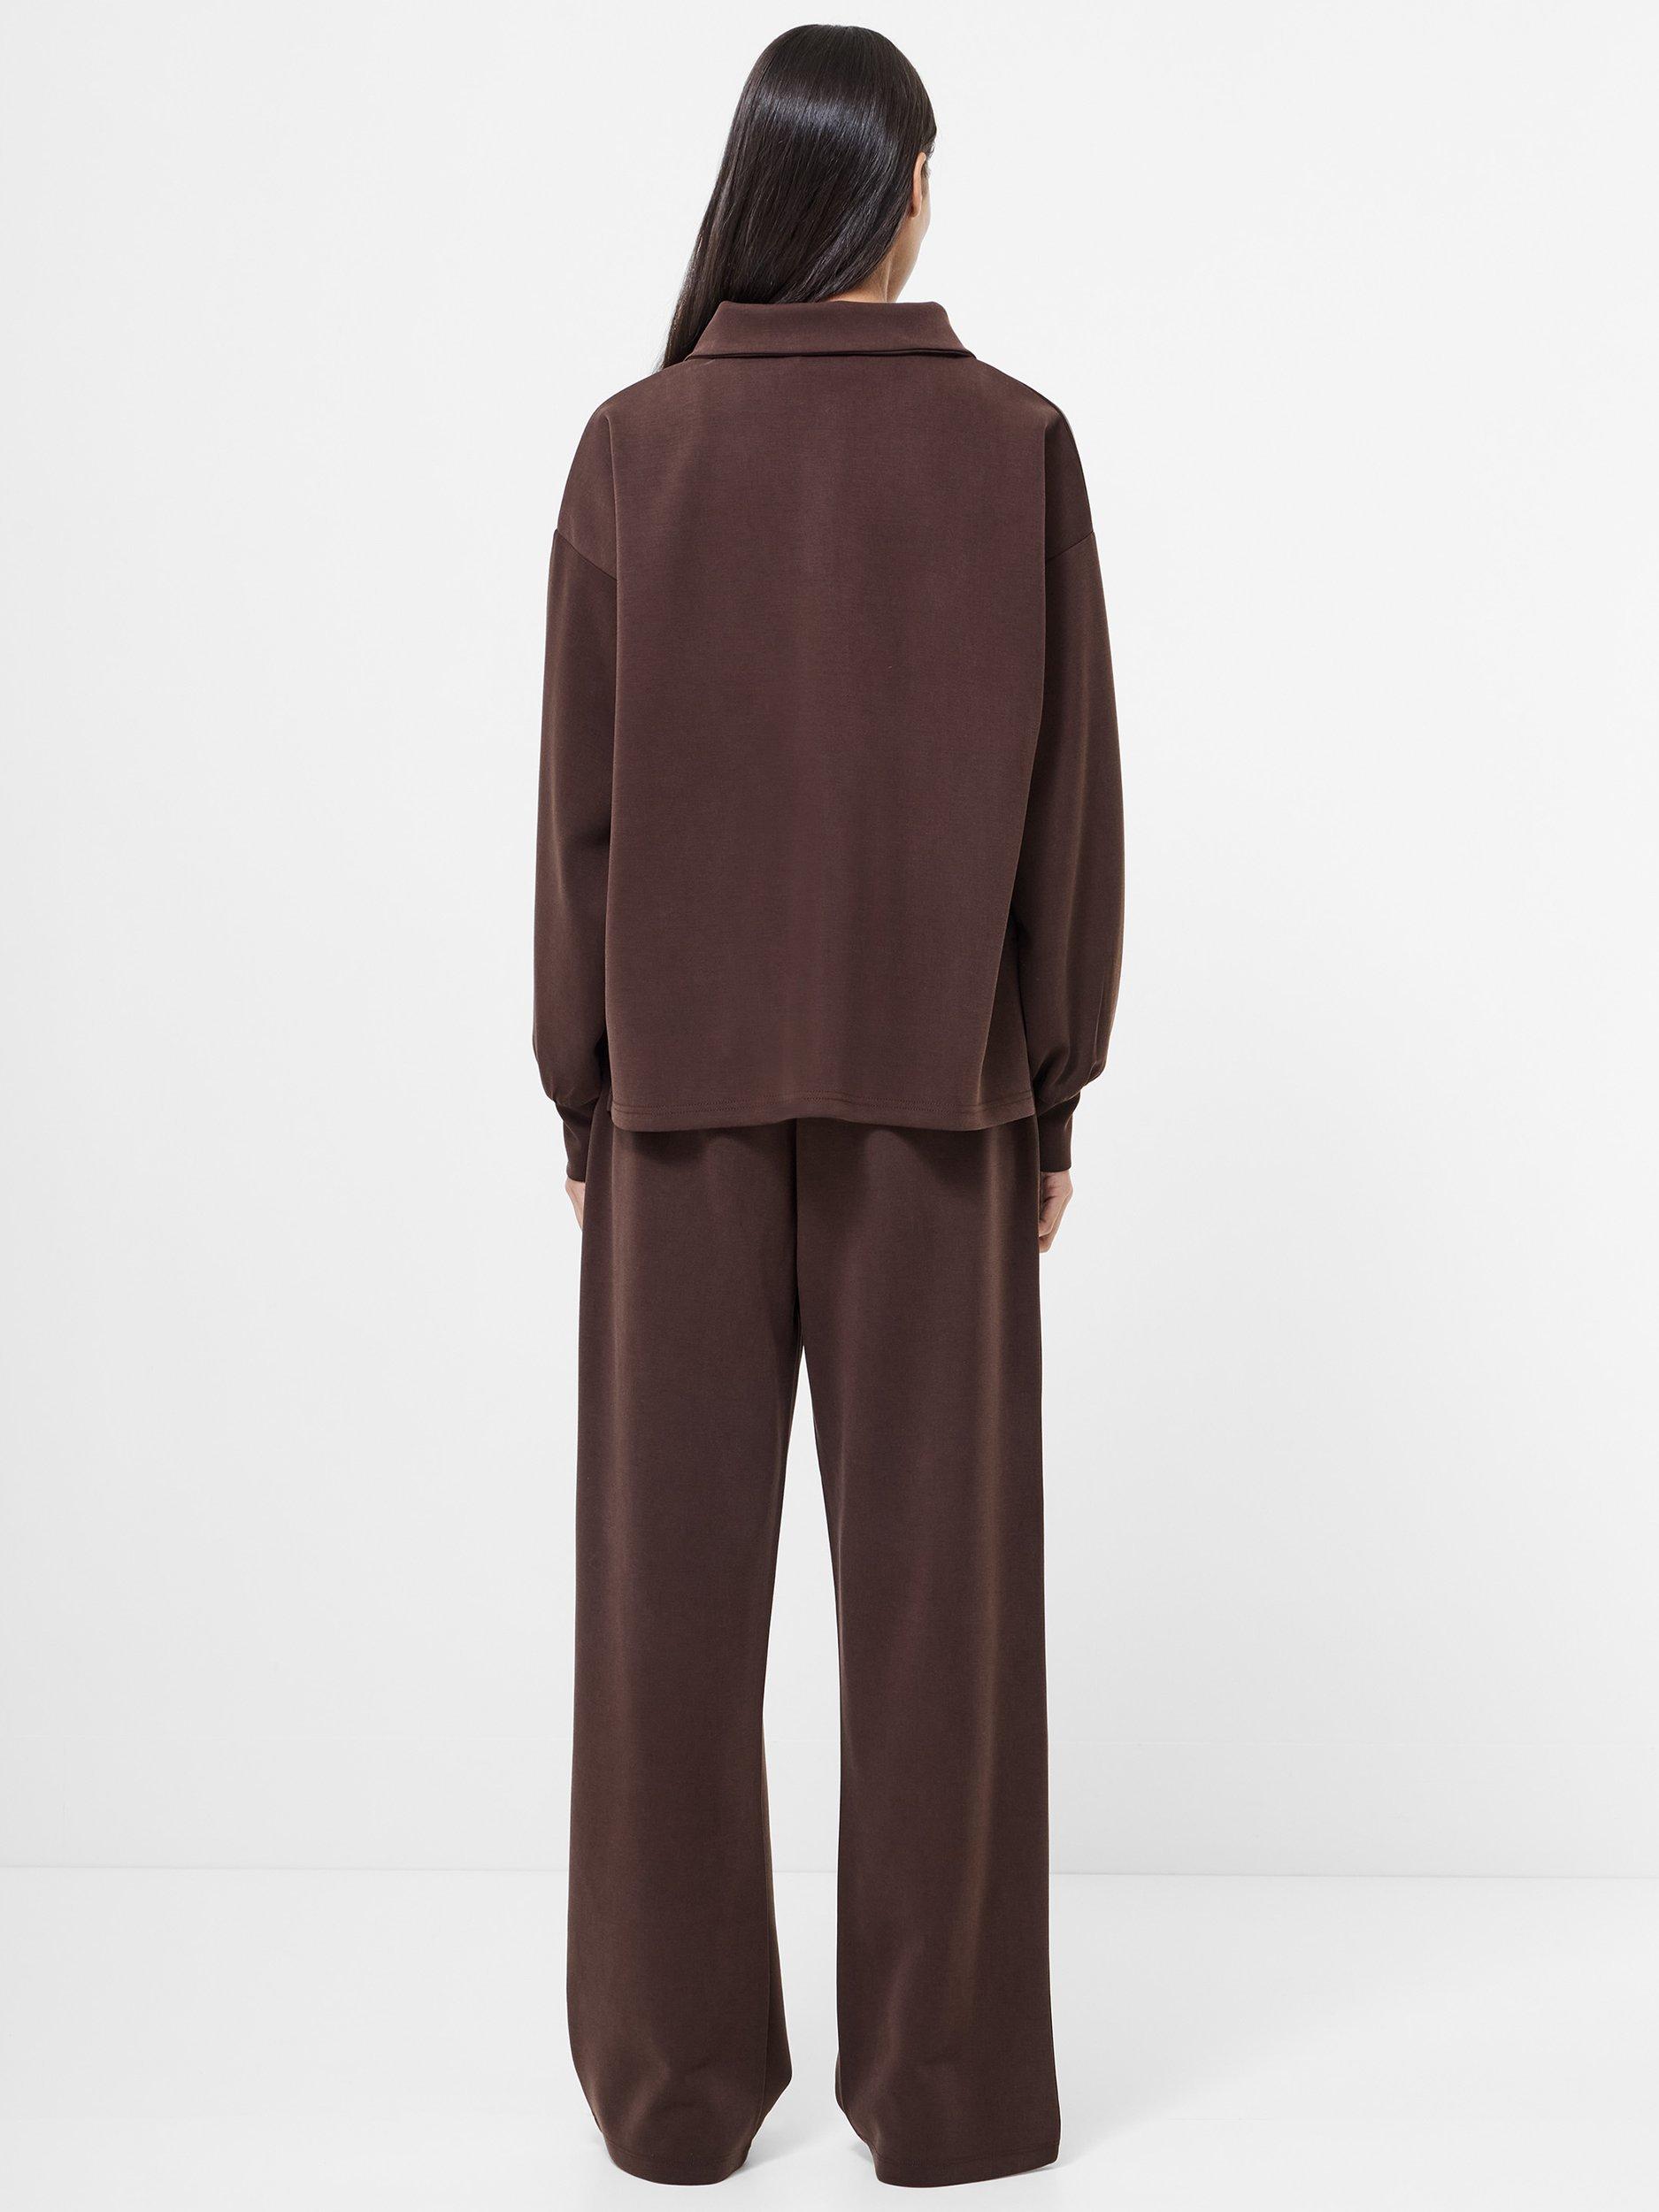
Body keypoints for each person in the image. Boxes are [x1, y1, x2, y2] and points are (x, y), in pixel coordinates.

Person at [534, 22, 1123, 2188]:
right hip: (935, 1105)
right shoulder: (1014, 444)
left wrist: (584, 1092)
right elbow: (1071, 806)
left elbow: (576, 818)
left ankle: (674, 2091)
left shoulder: (633, 449)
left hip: (676, 1109)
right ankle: (944, 2093)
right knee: (940, 1624)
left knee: (662, 1626)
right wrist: (1048, 1085)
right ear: (903, 196)